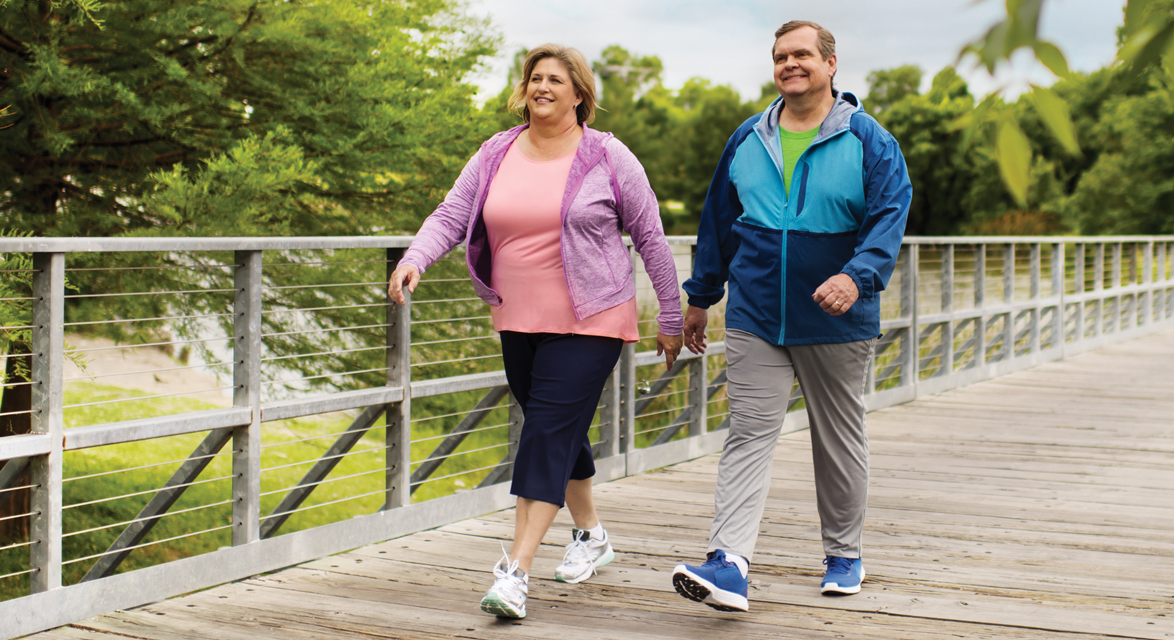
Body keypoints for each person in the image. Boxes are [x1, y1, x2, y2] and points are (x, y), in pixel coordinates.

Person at [386, 43, 683, 620]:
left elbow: (651, 237)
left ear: (580, 94)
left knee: (545, 429)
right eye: (535, 78)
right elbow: (452, 213)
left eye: (555, 79)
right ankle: (591, 534)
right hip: (516, 316)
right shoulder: (497, 150)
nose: (543, 86)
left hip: (593, 317)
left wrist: (670, 316)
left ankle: (515, 572)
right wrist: (416, 257)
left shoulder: (608, 157)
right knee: (557, 428)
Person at [670, 20, 910, 612]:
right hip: (755, 314)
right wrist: (701, 296)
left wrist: (856, 277)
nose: (790, 64)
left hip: (835, 317)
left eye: (802, 54)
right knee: (749, 435)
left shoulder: (868, 139)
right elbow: (718, 222)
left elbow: (889, 217)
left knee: (837, 438)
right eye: (781, 56)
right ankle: (729, 564)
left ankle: (844, 553)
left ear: (831, 64)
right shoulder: (749, 137)